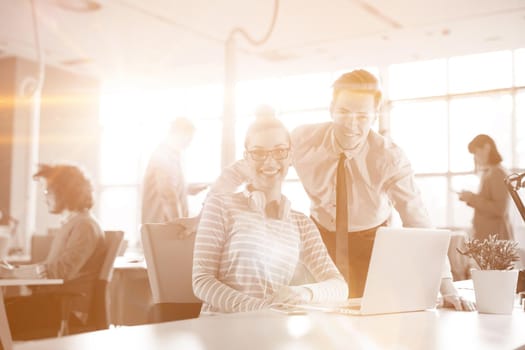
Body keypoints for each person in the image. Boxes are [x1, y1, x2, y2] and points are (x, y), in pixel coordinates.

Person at [210, 70, 475, 311]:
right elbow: (245, 167)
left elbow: (419, 222)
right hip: (319, 241)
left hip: (371, 244)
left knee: (371, 321)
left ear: (375, 114)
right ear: (331, 109)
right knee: (313, 317)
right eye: (344, 112)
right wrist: (208, 212)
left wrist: (447, 285)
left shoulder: (389, 158)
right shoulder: (303, 140)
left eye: (362, 116)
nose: (351, 124)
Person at [192, 116, 348, 314]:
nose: (270, 160)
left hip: (272, 330)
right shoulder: (220, 206)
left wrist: (304, 293)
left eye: (280, 151)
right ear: (246, 158)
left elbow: (339, 287)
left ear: (290, 157)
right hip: (222, 331)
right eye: (258, 152)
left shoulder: (301, 224)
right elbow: (202, 280)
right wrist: (260, 308)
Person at [3, 164, 106, 339]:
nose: (44, 198)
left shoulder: (84, 226)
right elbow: (52, 269)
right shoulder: (74, 223)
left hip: (67, 310)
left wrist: (12, 274)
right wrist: (12, 271)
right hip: (56, 304)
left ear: (64, 191)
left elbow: (60, 271)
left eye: (47, 192)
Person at [141, 117, 207, 224]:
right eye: (189, 138)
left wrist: (185, 189)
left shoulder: (173, 156)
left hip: (165, 227)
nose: (189, 143)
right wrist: (179, 224)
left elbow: (167, 187)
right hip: (162, 228)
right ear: (179, 134)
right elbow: (167, 194)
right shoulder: (163, 156)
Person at [458, 134, 513, 240]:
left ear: (487, 148)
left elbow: (500, 209)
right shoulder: (490, 172)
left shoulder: (497, 173)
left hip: (495, 240)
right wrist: (470, 198)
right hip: (489, 238)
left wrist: (471, 198)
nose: (475, 157)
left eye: (476, 152)